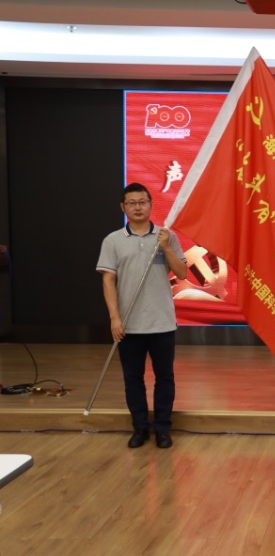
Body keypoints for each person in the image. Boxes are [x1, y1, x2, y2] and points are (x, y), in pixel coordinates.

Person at [97, 182, 187, 449]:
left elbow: (182, 273)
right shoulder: (113, 240)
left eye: (142, 202)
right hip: (129, 324)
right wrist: (114, 317)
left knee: (165, 378)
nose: (137, 207)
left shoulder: (166, 236)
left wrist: (166, 248)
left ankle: (162, 429)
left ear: (150, 205)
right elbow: (108, 281)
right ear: (123, 207)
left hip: (162, 322)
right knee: (133, 379)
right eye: (132, 203)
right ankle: (139, 427)